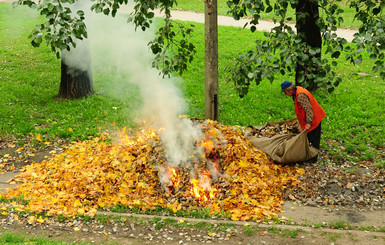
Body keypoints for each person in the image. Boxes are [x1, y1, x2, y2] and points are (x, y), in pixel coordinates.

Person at [281, 80, 326, 163]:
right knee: (309, 137)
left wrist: (309, 122)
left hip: (314, 118)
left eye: (285, 92)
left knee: (313, 138)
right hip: (311, 117)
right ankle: (309, 154)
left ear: (289, 90)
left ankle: (313, 158)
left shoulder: (300, 95)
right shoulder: (297, 91)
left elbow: (308, 109)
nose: (285, 94)